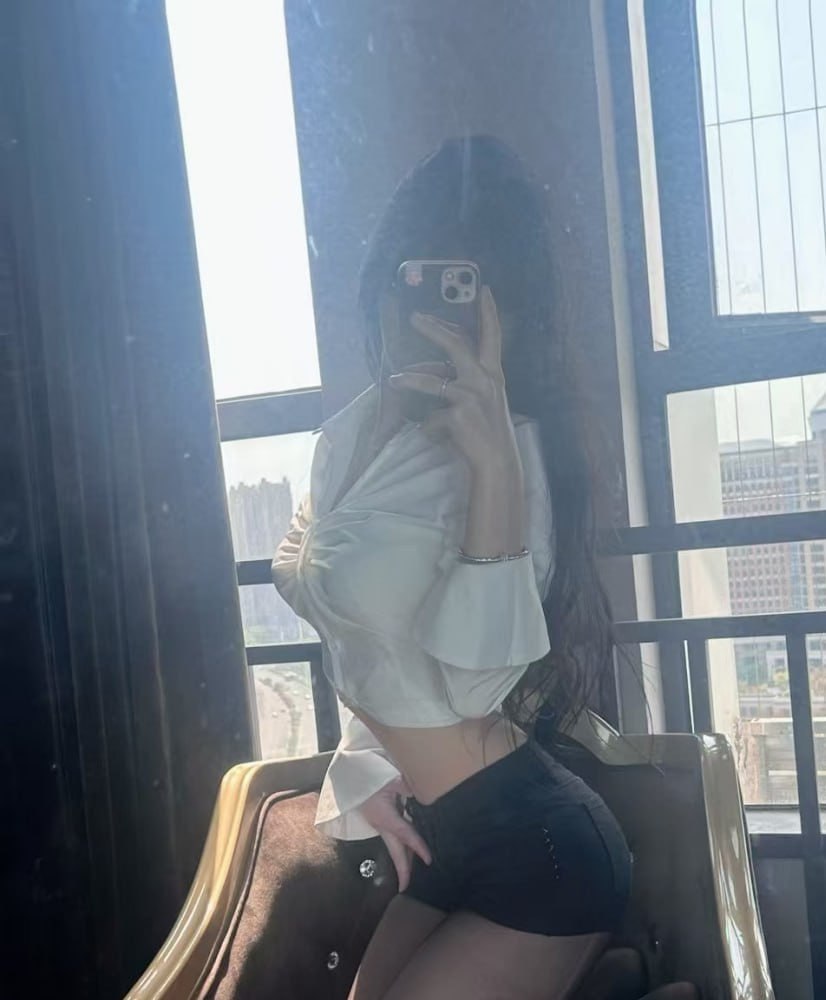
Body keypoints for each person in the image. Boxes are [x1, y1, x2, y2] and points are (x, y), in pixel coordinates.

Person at [272, 135, 632, 1000]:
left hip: (544, 846)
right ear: (383, 284)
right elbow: (367, 641)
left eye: (462, 288)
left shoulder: (512, 456)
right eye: (411, 278)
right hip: (449, 833)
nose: (429, 310)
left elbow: (474, 688)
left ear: (505, 311)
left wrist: (494, 471)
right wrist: (367, 769)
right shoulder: (345, 441)